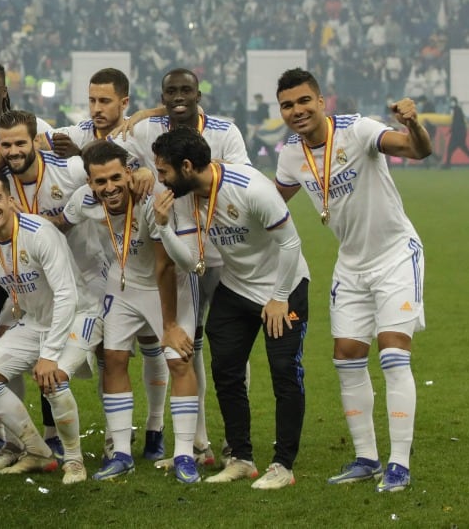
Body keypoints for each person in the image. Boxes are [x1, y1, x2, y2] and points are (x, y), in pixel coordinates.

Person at [274, 69, 429, 493]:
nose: (297, 111)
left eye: (304, 101)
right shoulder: (290, 155)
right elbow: (268, 201)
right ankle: (366, 458)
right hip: (352, 265)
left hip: (396, 254)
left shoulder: (358, 130)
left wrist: (413, 123)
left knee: (394, 353)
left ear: (322, 101)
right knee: (346, 357)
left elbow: (418, 151)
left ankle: (399, 463)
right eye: (287, 105)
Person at [150, 129, 309, 491]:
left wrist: (280, 297)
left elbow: (291, 243)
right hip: (236, 288)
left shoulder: (250, 187)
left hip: (284, 287)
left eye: (164, 172)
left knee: (284, 372)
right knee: (226, 372)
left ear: (187, 166)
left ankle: (283, 464)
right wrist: (163, 228)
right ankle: (241, 458)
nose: (161, 180)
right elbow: (189, 262)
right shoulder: (185, 198)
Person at [127, 66, 251, 463]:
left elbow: (239, 178)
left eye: (186, 90)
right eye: (170, 92)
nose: (179, 97)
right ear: (161, 96)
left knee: (232, 350)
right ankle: (199, 440)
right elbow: (115, 154)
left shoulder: (224, 132)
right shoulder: (146, 132)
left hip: (225, 254)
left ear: (199, 94)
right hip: (181, 256)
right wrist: (139, 168)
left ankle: (234, 437)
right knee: (190, 345)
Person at [75, 141, 201, 484]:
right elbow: (60, 221)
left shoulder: (150, 201)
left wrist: (170, 324)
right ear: (89, 183)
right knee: (113, 359)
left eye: (116, 177)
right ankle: (121, 454)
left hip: (169, 285)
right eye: (100, 181)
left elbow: (165, 267)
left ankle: (185, 455)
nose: (109, 187)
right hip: (123, 283)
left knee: (179, 360)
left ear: (129, 173)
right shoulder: (83, 202)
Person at [0, 169, 86, 481]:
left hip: (77, 316)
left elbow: (66, 294)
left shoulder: (39, 232)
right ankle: (36, 451)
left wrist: (50, 354)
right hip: (34, 321)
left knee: (54, 380)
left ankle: (74, 460)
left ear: (10, 200)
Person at [442, 98, 469, 167]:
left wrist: (451, 131)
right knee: (452, 149)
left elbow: (457, 124)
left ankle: (447, 164)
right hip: (457, 134)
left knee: (452, 149)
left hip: (458, 135)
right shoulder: (457, 110)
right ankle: (447, 164)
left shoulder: (457, 110)